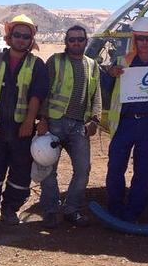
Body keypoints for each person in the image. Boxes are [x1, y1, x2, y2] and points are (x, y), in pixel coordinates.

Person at [0, 14, 49, 230]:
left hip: (20, 130)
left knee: (20, 174)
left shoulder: (36, 65)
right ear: (9, 37)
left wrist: (29, 121)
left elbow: (37, 96)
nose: (21, 39)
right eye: (17, 35)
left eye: (26, 36)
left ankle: (9, 210)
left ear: (31, 40)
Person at [103, 17, 148, 223]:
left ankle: (134, 211)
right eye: (141, 39)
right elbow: (105, 85)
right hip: (125, 123)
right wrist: (111, 73)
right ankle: (115, 207)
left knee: (144, 169)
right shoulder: (122, 62)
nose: (145, 43)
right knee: (115, 167)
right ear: (135, 39)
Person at [37, 25, 102, 229]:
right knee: (48, 168)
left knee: (83, 169)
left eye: (80, 39)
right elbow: (44, 91)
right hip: (55, 122)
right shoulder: (55, 61)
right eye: (72, 39)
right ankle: (50, 210)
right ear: (66, 41)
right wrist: (43, 119)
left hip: (79, 126)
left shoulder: (92, 65)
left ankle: (71, 209)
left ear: (86, 41)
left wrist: (95, 119)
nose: (76, 43)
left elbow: (96, 95)